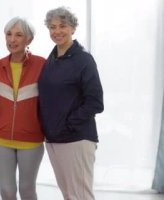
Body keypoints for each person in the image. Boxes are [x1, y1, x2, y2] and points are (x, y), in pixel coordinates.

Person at [38, 6, 104, 200]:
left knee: (81, 195)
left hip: (77, 139)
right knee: (69, 194)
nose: (57, 31)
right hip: (53, 139)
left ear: (73, 28)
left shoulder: (84, 60)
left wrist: (69, 124)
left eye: (62, 26)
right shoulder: (50, 61)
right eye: (52, 27)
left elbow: (96, 102)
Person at [0, 17, 46, 200]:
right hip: (2, 138)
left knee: (26, 189)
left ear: (29, 40)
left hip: (31, 139)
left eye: (18, 35)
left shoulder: (42, 65)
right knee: (6, 191)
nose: (12, 40)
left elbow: (50, 102)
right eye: (9, 34)